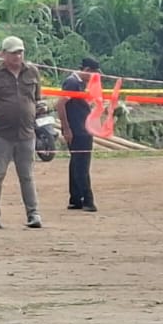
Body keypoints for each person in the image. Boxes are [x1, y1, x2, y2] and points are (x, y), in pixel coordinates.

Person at [0, 35, 43, 229]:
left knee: (27, 175)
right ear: (4, 54)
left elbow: (37, 98)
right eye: (14, 52)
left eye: (20, 52)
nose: (18, 56)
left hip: (26, 133)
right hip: (2, 134)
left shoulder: (32, 72)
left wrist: (36, 112)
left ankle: (33, 213)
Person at [61, 56, 100, 212]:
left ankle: (75, 198)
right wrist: (66, 128)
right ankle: (87, 199)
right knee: (82, 165)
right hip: (78, 130)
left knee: (76, 164)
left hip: (83, 128)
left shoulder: (80, 84)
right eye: (93, 73)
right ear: (86, 71)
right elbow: (60, 104)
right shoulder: (72, 82)